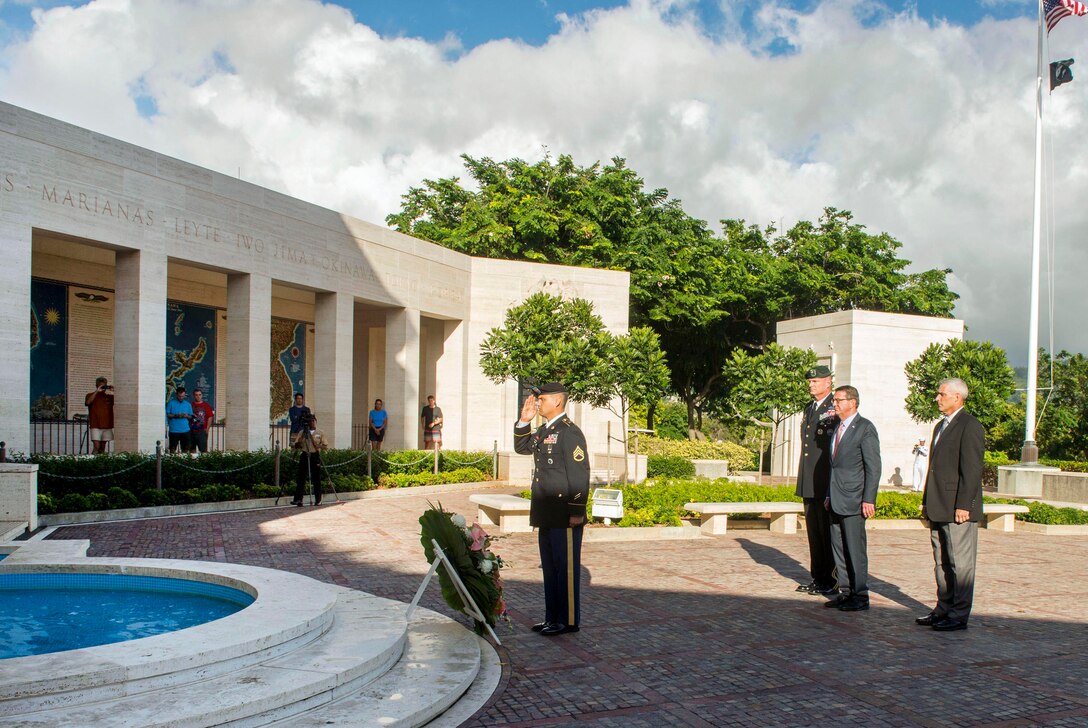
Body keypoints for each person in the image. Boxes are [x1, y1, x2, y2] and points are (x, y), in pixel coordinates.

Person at [514, 382, 590, 637]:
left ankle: (567, 620)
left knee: (565, 568)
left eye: (542, 399)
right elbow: (522, 447)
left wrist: (577, 510)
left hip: (564, 513)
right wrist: (524, 421)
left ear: (557, 401)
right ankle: (551, 617)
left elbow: (579, 474)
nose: (538, 403)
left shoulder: (569, 432)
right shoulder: (546, 429)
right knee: (550, 567)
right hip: (546, 512)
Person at [917, 378, 984, 632]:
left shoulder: (970, 425)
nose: (937, 398)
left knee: (961, 564)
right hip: (938, 505)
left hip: (958, 508)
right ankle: (943, 608)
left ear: (957, 397)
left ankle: (958, 614)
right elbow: (933, 469)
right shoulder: (940, 426)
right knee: (941, 561)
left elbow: (972, 469)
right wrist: (926, 502)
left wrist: (964, 505)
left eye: (942, 393)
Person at [824, 385, 881, 612]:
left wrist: (869, 498)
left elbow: (873, 467)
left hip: (855, 500)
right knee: (839, 548)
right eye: (834, 400)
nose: (834, 404)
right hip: (836, 498)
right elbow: (834, 466)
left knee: (855, 549)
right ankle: (845, 591)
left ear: (853, 402)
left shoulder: (865, 428)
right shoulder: (838, 427)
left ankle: (860, 594)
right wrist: (829, 494)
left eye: (839, 400)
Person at [794, 365, 838, 597]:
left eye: (816, 381)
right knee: (813, 533)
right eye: (810, 381)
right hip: (810, 480)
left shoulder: (834, 407)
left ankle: (832, 580)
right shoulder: (809, 408)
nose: (811, 384)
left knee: (826, 532)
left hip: (825, 480)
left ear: (828, 382)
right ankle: (818, 577)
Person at [292, 413, 327, 506]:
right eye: (309, 421)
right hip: (304, 455)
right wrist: (302, 436)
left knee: (316, 478)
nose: (311, 423)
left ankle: (318, 499)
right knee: (301, 478)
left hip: (314, 455)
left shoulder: (320, 433)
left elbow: (325, 446)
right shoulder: (302, 432)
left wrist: (318, 445)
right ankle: (299, 499)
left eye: (313, 421)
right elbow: (296, 445)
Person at [84, 376, 114, 454]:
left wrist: (115, 391)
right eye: (101, 385)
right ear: (96, 385)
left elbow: (121, 402)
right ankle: (93, 462)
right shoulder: (90, 395)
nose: (103, 387)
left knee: (102, 447)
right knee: (96, 446)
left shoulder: (110, 397)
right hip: (95, 424)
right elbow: (88, 402)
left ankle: (100, 462)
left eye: (104, 385)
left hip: (107, 425)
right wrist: (97, 391)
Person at [165, 386, 194, 453]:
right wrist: (176, 415)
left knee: (185, 449)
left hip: (185, 430)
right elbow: (168, 414)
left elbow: (191, 416)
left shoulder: (188, 404)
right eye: (179, 396)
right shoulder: (171, 403)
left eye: (183, 396)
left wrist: (186, 416)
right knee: (172, 449)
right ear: (176, 395)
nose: (181, 398)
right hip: (174, 430)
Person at [189, 388, 215, 454]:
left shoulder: (206, 405)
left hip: (202, 431)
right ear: (193, 396)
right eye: (196, 395)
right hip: (191, 431)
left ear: (202, 395)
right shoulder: (190, 405)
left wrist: (207, 428)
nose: (198, 396)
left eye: (199, 395)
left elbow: (210, 417)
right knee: (192, 450)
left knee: (203, 450)